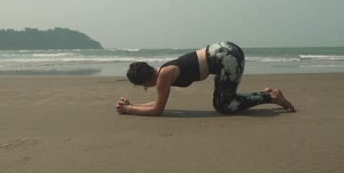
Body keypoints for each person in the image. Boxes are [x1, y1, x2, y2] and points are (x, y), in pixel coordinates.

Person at [116, 41, 295, 116]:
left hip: (226, 57)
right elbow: (158, 103)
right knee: (223, 101)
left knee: (223, 105)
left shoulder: (164, 75)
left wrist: (128, 109)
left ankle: (272, 97)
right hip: (223, 53)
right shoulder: (163, 72)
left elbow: (157, 110)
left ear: (145, 82)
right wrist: (132, 105)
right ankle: (265, 94)